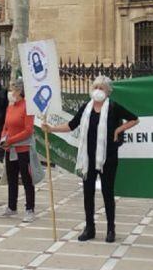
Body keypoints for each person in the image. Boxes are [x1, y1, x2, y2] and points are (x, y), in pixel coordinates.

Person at [45, 76, 139, 243]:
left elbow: (134, 119)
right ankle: (90, 227)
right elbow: (71, 125)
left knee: (107, 193)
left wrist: (118, 130)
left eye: (102, 88)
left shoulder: (113, 107)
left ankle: (111, 228)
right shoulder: (86, 108)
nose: (98, 90)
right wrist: (51, 129)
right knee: (88, 193)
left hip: (107, 158)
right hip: (88, 158)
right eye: (96, 87)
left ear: (108, 91)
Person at [0, 84, 36, 222]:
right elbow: (6, 126)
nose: (10, 92)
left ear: (19, 91)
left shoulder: (27, 107)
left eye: (12, 90)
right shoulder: (10, 107)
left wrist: (12, 140)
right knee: (11, 177)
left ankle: (29, 208)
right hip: (10, 148)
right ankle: (11, 206)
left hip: (23, 148)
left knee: (27, 179)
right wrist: (3, 138)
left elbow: (28, 130)